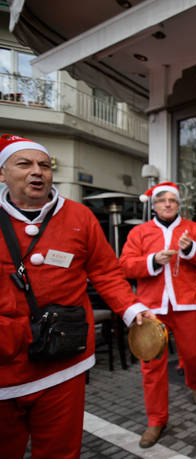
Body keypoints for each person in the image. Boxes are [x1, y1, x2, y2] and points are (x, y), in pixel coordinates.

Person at [0, 134, 154, 458]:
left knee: (61, 452)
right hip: (5, 364)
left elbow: (106, 271)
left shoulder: (80, 217)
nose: (37, 172)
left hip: (64, 361)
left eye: (44, 165)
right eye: (24, 164)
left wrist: (130, 309)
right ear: (2, 173)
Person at [120, 181, 196, 448]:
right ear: (155, 205)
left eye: (172, 200)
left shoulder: (193, 230)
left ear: (178, 204)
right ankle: (156, 419)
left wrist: (189, 250)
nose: (167, 204)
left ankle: (195, 383)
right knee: (151, 366)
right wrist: (152, 261)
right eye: (162, 200)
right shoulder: (140, 233)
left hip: (186, 304)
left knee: (195, 355)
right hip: (152, 309)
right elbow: (125, 266)